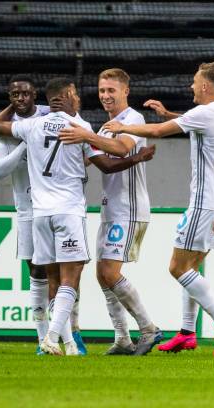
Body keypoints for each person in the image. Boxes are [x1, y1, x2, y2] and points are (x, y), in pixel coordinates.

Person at [0, 77, 155, 355]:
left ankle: (70, 344)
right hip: (68, 211)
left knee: (50, 280)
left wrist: (12, 103)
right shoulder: (82, 128)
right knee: (71, 278)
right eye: (76, 94)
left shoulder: (31, 126)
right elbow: (105, 164)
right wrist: (137, 158)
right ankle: (52, 338)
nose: (81, 98)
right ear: (67, 96)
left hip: (39, 213)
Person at [101, 62, 214, 357]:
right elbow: (198, 124)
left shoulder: (203, 113)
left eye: (194, 82)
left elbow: (158, 131)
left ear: (204, 86)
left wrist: (123, 126)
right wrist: (170, 115)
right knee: (192, 268)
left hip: (204, 202)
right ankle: (188, 333)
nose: (191, 86)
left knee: (177, 268)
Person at [58, 68, 161, 355]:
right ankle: (122, 339)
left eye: (111, 90)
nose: (105, 96)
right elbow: (97, 160)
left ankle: (149, 329)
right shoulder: (104, 127)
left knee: (109, 272)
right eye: (102, 91)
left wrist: (85, 136)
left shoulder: (133, 119)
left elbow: (119, 148)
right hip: (110, 209)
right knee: (102, 275)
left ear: (125, 91)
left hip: (130, 209)